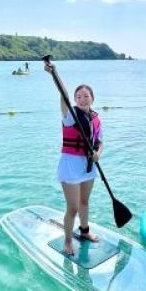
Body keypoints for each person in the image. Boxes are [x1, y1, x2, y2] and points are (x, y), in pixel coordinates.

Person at [44, 60, 101, 256]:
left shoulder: (95, 118)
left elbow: (100, 141)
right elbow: (64, 95)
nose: (83, 99)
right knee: (73, 208)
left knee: (85, 202)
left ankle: (84, 232)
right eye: (79, 96)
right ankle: (68, 241)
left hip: (88, 166)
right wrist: (55, 74)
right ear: (75, 100)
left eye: (86, 96)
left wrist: (98, 154)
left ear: (92, 98)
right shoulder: (70, 116)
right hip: (70, 167)